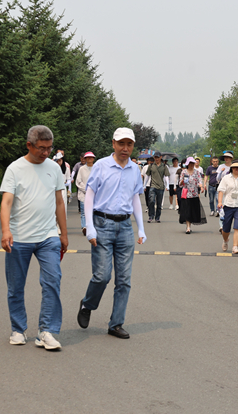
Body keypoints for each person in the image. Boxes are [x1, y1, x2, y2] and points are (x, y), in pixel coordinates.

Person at [0, 125, 68, 350]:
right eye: (41, 148)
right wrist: (6, 231)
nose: (46, 152)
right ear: (29, 145)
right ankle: (18, 329)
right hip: (19, 238)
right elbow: (6, 202)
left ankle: (46, 331)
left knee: (52, 281)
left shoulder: (54, 168)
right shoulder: (15, 169)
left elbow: (59, 202)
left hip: (48, 236)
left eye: (49, 148)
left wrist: (63, 233)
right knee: (16, 286)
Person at [77, 128, 146, 339]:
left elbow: (135, 198)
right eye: (121, 143)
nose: (125, 148)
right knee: (102, 276)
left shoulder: (134, 169)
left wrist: (141, 228)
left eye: (129, 144)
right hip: (102, 223)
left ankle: (116, 324)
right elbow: (90, 195)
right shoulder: (101, 165)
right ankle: (87, 304)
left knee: (124, 280)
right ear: (113, 144)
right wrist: (90, 226)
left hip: (125, 226)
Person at [217, 160, 238, 254]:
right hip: (228, 204)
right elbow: (221, 190)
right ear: (232, 168)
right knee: (225, 228)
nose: (237, 169)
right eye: (236, 167)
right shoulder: (226, 178)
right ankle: (225, 240)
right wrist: (220, 202)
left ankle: (235, 247)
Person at [178, 156, 206, 234]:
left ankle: (190, 225)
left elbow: (199, 181)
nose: (191, 165)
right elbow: (180, 184)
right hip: (186, 194)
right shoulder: (184, 172)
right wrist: (182, 181)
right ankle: (188, 227)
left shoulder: (197, 172)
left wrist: (201, 187)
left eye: (192, 163)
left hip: (194, 194)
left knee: (192, 210)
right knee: (187, 210)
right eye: (190, 163)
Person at [75, 152, 96, 236]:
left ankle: (92, 227)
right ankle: (84, 227)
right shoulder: (82, 169)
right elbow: (78, 181)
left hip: (94, 194)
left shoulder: (96, 168)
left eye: (91, 157)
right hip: (83, 194)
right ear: (85, 159)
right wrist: (86, 189)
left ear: (93, 158)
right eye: (87, 157)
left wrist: (93, 190)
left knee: (93, 212)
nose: (89, 159)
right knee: (84, 212)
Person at [146, 153, 169, 223]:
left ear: (161, 157)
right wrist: (144, 185)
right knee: (151, 201)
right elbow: (147, 175)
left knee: (159, 204)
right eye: (155, 157)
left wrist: (167, 185)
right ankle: (151, 216)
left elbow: (166, 176)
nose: (157, 159)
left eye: (158, 157)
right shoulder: (151, 166)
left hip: (161, 187)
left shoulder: (164, 166)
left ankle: (157, 217)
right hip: (153, 186)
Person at [217, 152, 234, 232]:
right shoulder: (221, 166)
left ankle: (227, 224)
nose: (226, 159)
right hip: (222, 189)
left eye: (228, 157)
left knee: (229, 208)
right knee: (221, 207)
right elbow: (218, 179)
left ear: (231, 158)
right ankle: (221, 226)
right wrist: (221, 171)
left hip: (231, 190)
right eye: (225, 157)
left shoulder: (234, 167)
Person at [53, 152, 68, 218]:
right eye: (57, 161)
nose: (58, 162)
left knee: (62, 205)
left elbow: (69, 179)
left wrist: (68, 188)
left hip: (62, 189)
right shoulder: (52, 169)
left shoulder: (66, 169)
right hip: (53, 189)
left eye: (60, 160)